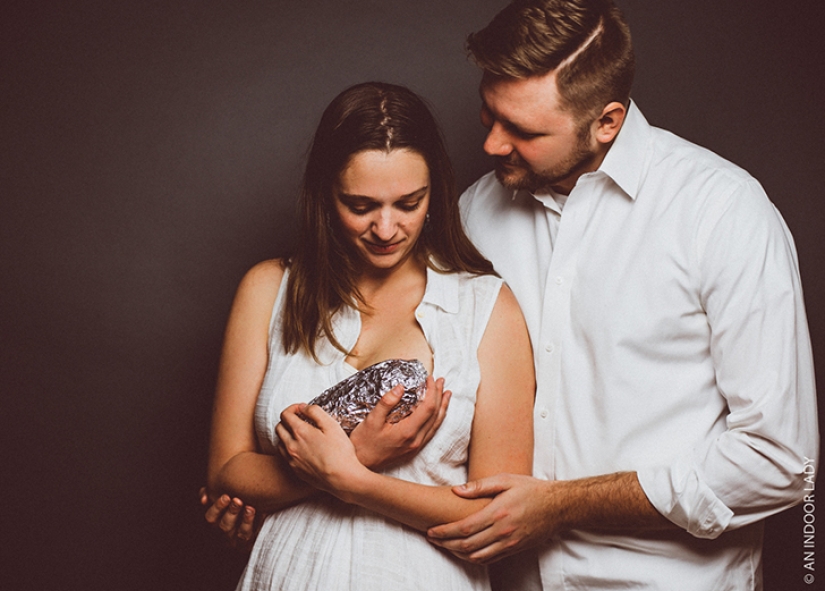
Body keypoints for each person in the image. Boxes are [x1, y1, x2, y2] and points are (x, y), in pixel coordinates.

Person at [421, 1, 819, 590]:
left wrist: (563, 504)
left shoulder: (723, 214)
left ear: (606, 122)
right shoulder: (474, 214)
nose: (493, 146)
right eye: (488, 117)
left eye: (524, 131)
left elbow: (778, 461)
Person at [204, 81, 535, 590]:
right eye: (360, 205)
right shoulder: (269, 289)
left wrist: (351, 478)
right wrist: (361, 451)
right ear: (325, 194)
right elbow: (228, 474)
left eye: (409, 203)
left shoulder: (486, 308)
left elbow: (493, 515)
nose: (386, 229)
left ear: (435, 193)